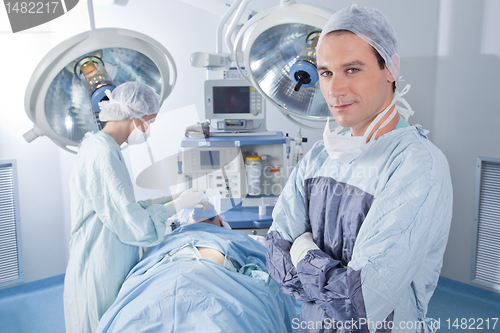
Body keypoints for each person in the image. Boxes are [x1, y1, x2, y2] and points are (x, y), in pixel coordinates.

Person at [266, 4, 453, 333]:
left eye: (352, 69)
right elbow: (279, 267)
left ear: (390, 68)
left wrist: (303, 248)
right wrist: (327, 274)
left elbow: (360, 303)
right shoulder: (318, 158)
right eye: (326, 72)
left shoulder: (418, 166)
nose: (335, 90)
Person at [63, 81, 204, 333]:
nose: (149, 128)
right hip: (100, 265)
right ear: (135, 115)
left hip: (111, 255)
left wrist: (171, 199)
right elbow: (132, 221)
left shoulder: (104, 147)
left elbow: (122, 205)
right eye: (151, 120)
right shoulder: (101, 153)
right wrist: (177, 205)